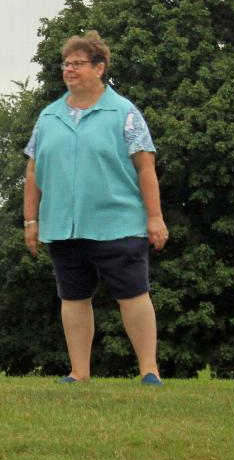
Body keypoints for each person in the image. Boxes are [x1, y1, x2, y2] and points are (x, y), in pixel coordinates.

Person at [23, 30, 168, 386]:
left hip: (118, 223)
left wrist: (154, 217)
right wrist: (31, 220)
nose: (69, 70)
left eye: (78, 64)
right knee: (73, 298)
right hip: (64, 227)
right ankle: (79, 372)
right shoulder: (49, 117)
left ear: (100, 68)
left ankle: (149, 369)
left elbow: (145, 167)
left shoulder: (124, 113)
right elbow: (32, 170)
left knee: (133, 295)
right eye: (66, 64)